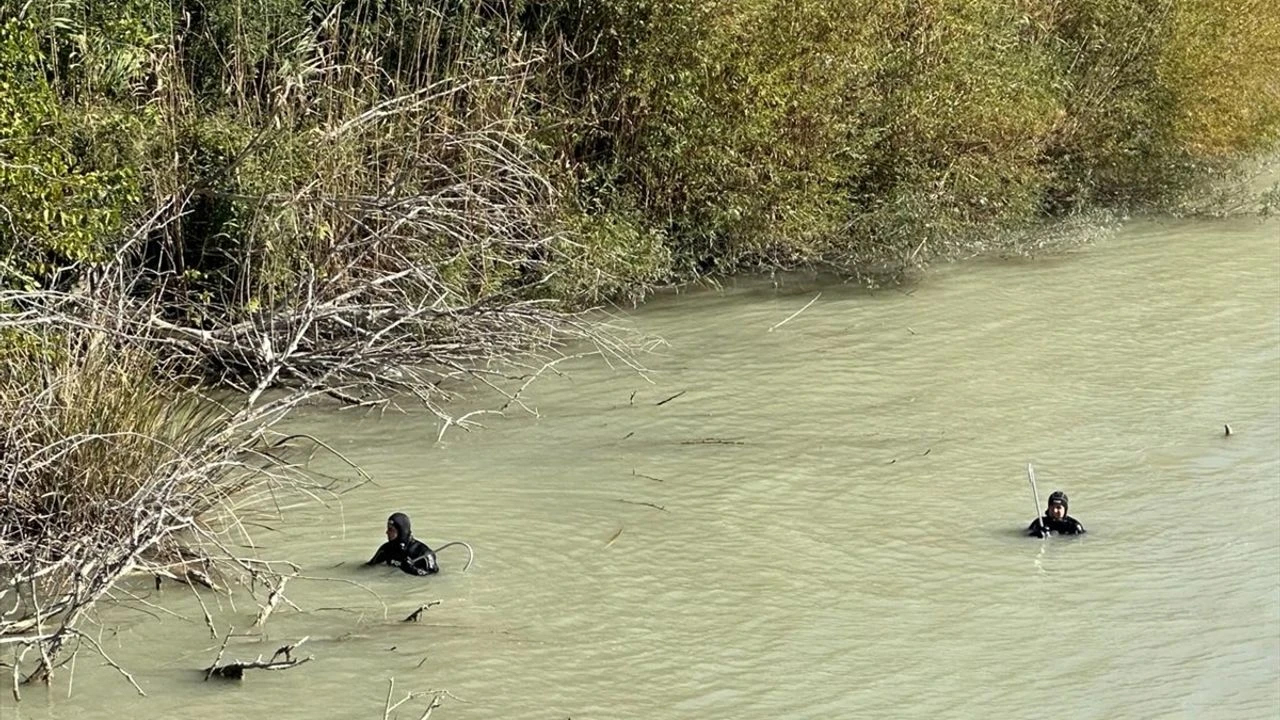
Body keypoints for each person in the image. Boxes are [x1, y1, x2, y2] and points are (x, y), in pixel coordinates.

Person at [366, 512, 439, 576]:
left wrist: (413, 570)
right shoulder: (386, 549)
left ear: (401, 531)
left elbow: (433, 577)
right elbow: (368, 567)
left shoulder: (424, 553)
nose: (387, 532)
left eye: (390, 529)